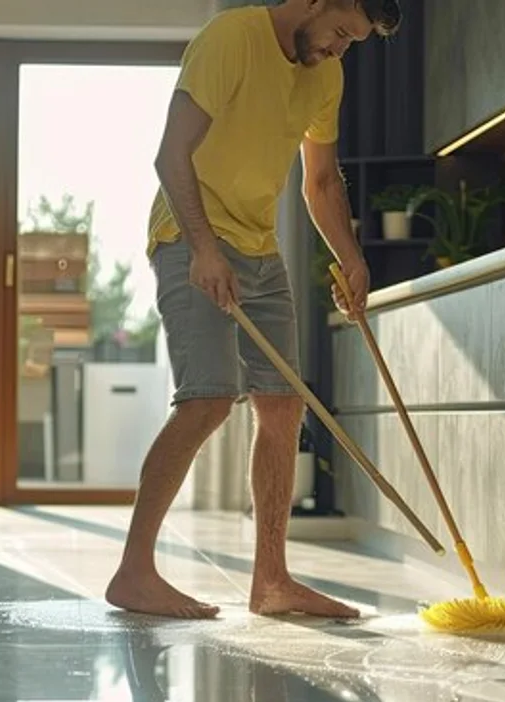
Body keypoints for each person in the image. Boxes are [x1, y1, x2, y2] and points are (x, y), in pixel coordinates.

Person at [105, 0, 401, 620]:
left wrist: (351, 258)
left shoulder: (327, 74)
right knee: (208, 399)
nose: (340, 49)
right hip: (191, 240)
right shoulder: (230, 40)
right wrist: (205, 250)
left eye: (354, 42)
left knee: (284, 405)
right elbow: (170, 155)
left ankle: (271, 580)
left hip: (261, 253)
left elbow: (320, 181)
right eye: (342, 32)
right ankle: (133, 573)